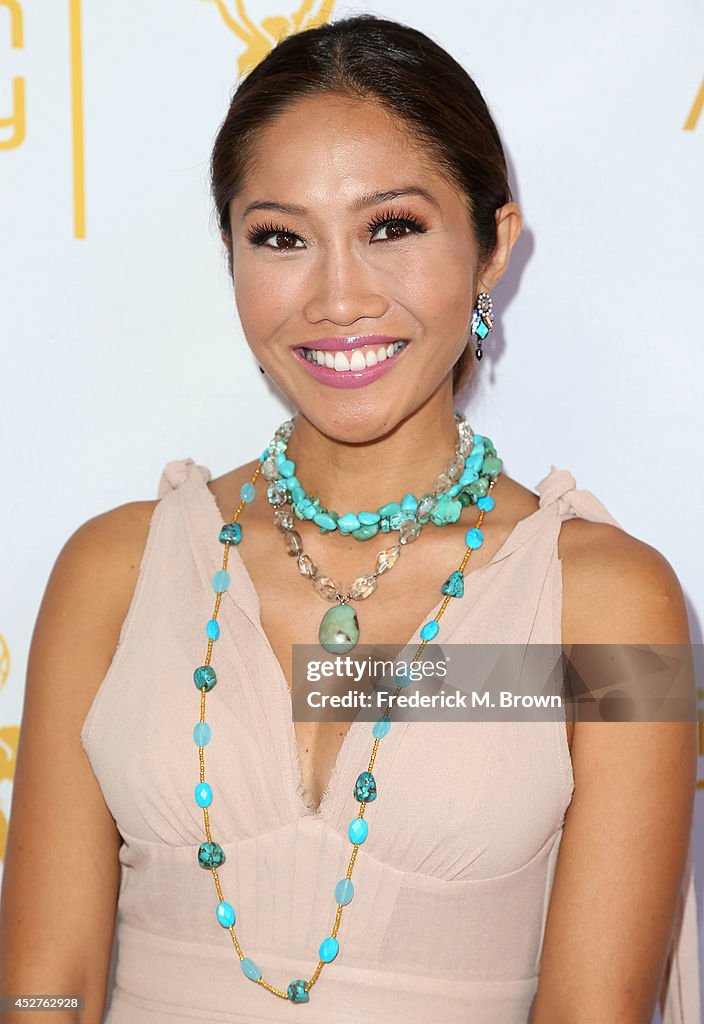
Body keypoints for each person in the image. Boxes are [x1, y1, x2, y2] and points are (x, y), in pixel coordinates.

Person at [0, 13, 699, 1024]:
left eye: (392, 228)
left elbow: (594, 1010)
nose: (336, 297)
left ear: (492, 244)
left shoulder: (609, 605)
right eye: (279, 238)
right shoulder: (114, 570)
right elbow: (39, 984)